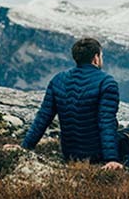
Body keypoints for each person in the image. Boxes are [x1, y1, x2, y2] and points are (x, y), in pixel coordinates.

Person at [18, 37, 122, 170]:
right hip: (97, 155)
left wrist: (25, 147)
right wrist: (111, 159)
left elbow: (43, 117)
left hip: (70, 154)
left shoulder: (58, 80)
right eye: (101, 55)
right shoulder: (106, 82)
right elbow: (106, 121)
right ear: (96, 58)